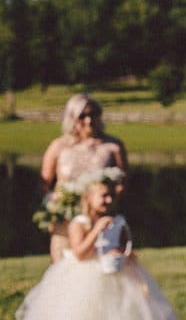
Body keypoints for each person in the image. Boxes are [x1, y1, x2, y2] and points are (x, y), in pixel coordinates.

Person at [12, 172, 184, 320]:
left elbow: (121, 247)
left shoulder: (118, 221)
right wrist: (96, 230)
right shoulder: (79, 223)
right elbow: (80, 252)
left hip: (116, 275)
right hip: (85, 277)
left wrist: (126, 256)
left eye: (111, 196)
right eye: (103, 196)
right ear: (88, 197)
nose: (109, 200)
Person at [40, 93, 128, 262]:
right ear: (72, 118)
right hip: (65, 222)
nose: (88, 120)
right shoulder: (59, 147)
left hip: (100, 222)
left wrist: (108, 203)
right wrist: (53, 204)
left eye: (93, 114)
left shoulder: (112, 146)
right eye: (82, 116)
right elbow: (44, 184)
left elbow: (122, 183)